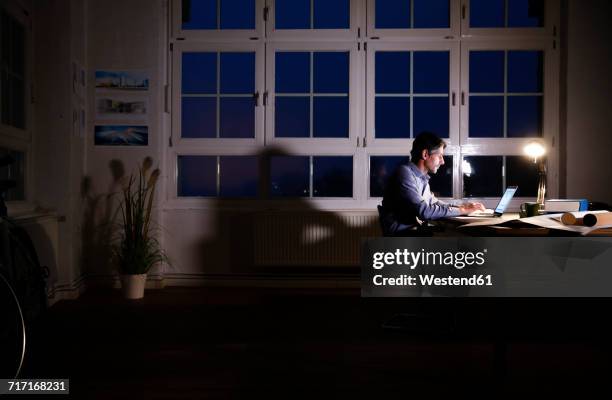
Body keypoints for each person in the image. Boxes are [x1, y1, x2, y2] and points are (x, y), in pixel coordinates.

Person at [380, 132, 485, 236]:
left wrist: (463, 206)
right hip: (401, 238)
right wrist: (463, 210)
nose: (442, 162)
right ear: (425, 154)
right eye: (440, 156)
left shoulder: (421, 178)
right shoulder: (404, 173)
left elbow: (434, 203)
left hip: (413, 233)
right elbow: (425, 211)